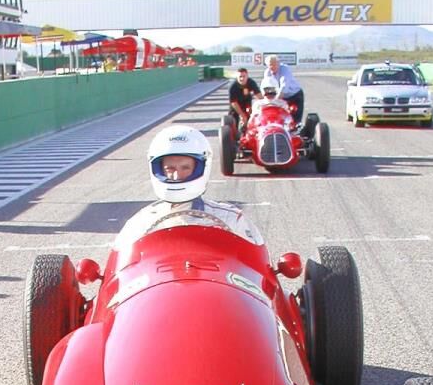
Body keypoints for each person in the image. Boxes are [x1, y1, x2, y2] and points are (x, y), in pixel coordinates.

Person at [114, 125, 264, 250]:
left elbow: (255, 269)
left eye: (185, 167)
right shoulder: (141, 222)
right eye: (170, 168)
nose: (176, 175)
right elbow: (122, 274)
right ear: (159, 169)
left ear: (200, 167)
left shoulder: (231, 218)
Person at [261, 55, 304, 125]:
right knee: (278, 118)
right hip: (281, 98)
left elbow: (284, 87)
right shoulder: (267, 73)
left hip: (294, 95)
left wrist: (274, 102)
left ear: (278, 63)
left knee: (295, 122)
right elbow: (267, 87)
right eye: (270, 65)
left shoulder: (285, 69)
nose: (272, 67)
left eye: (274, 64)